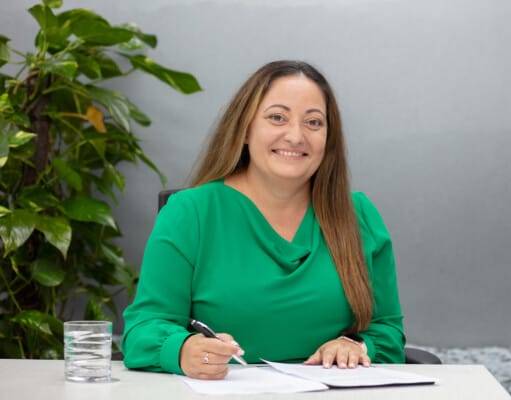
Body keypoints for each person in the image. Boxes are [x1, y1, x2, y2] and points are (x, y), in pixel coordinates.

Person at [121, 60, 406, 380]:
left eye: (313, 122)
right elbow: (142, 331)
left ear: (328, 139)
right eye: (277, 117)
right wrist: (184, 349)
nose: (296, 136)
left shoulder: (359, 215)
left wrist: (356, 345)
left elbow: (388, 332)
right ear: (244, 128)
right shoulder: (191, 212)